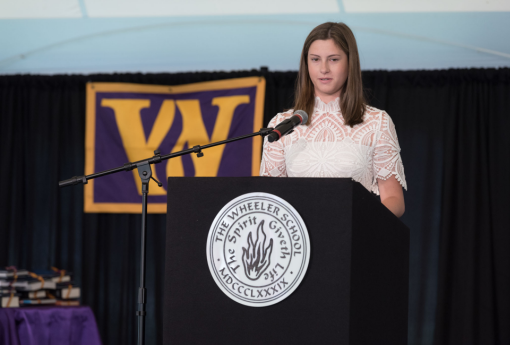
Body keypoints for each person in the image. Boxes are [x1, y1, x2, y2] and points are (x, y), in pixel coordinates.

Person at [260, 22, 406, 218]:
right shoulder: (281, 125)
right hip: (297, 243)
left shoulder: (377, 122)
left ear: (350, 62)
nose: (324, 69)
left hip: (354, 238)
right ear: (306, 64)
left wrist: (362, 224)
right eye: (315, 59)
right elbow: (270, 199)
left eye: (334, 59)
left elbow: (393, 199)